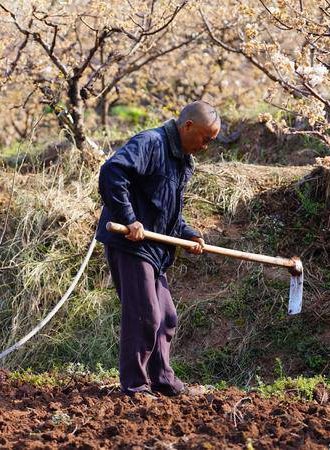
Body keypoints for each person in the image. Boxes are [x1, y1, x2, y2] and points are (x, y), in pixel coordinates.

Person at [96, 101, 221, 397]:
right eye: (205, 139)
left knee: (166, 317)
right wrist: (129, 219)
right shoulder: (150, 143)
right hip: (130, 244)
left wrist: (188, 233)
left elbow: (167, 209)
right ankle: (135, 387)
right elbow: (112, 173)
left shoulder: (183, 162)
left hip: (154, 249)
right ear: (187, 126)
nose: (205, 147)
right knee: (145, 315)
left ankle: (163, 381)